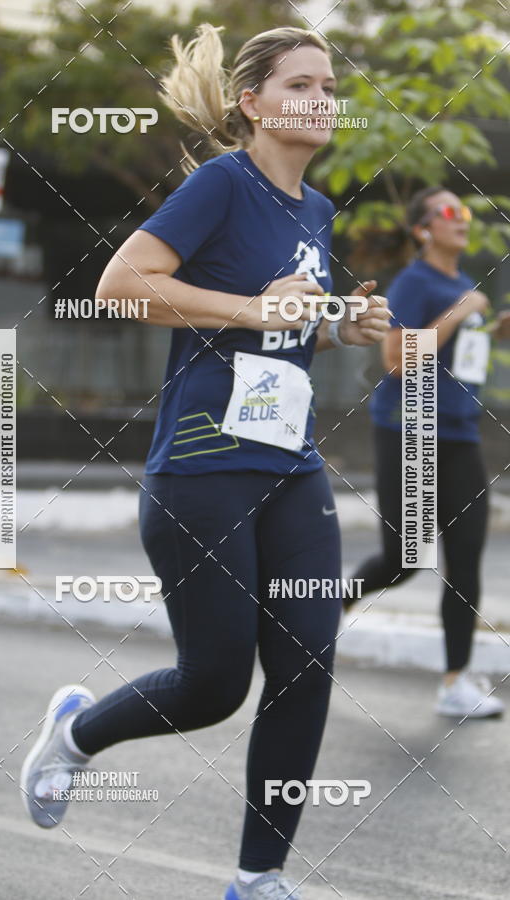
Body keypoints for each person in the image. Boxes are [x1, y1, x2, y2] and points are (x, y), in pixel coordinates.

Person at [20, 24, 390, 899]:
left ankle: (257, 880)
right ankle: (77, 733)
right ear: (252, 103)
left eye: (329, 85)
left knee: (307, 666)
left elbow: (283, 326)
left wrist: (342, 328)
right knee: (214, 684)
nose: (320, 98)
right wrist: (249, 308)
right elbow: (120, 287)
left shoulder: (319, 210)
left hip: (292, 466)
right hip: (204, 464)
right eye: (299, 84)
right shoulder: (224, 185)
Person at [346, 185, 510, 720]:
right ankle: (328, 603)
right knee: (402, 560)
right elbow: (396, 357)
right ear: (423, 230)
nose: (462, 218)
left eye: (464, 210)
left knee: (465, 556)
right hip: (410, 432)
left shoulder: (460, 282)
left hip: (459, 434)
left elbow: (456, 353)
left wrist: (493, 329)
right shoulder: (417, 282)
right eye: (449, 211)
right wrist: (463, 310)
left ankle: (456, 681)